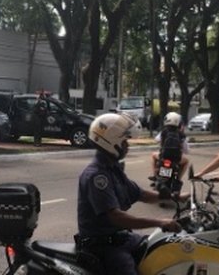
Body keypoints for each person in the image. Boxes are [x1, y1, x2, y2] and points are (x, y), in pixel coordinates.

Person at [76, 112, 182, 275]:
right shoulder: (97, 176)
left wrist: (175, 197)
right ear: (112, 142)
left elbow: (141, 194)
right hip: (103, 246)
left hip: (121, 238)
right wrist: (160, 222)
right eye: (125, 141)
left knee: (163, 247)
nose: (128, 145)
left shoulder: (113, 168)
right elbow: (116, 217)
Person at [148, 112, 190, 182]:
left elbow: (156, 140)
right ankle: (178, 179)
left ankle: (155, 175)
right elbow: (187, 151)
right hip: (176, 160)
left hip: (163, 157)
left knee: (153, 155)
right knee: (186, 161)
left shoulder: (164, 132)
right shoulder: (181, 135)